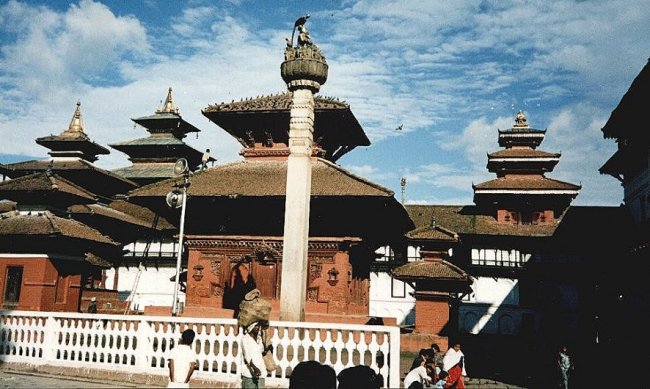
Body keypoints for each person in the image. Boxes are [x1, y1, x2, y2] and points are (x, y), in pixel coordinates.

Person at [241, 321, 267, 389]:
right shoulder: (245, 339)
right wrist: (255, 368)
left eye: (258, 326)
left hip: (261, 373)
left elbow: (262, 351)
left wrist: (264, 340)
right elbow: (247, 355)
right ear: (250, 327)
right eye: (256, 326)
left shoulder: (259, 338)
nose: (258, 327)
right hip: (249, 374)